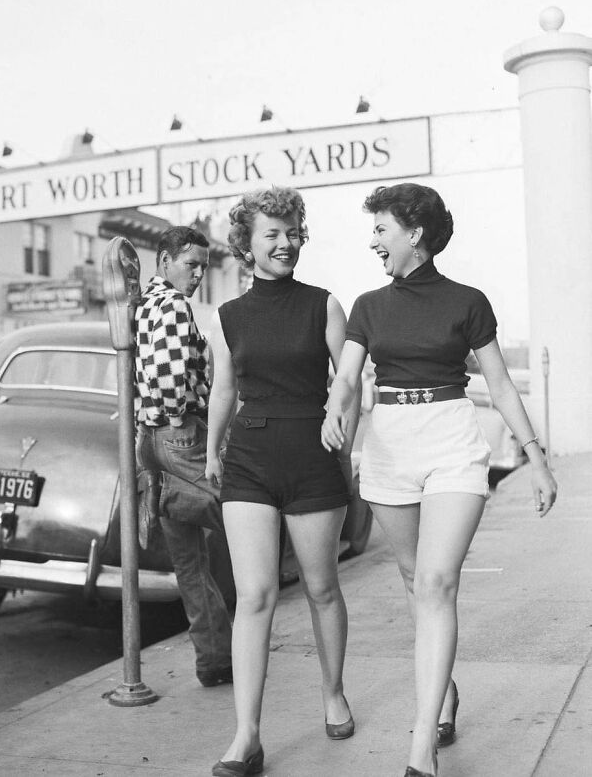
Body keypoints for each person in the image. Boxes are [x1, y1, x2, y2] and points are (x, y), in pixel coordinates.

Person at [321, 182, 558, 777]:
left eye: (381, 229)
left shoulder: (468, 302)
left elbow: (500, 384)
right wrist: (334, 408)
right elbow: (347, 378)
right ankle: (444, 691)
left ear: (414, 233)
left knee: (436, 583)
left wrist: (535, 457)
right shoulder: (369, 306)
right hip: (390, 442)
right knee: (413, 580)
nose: (372, 240)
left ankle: (420, 745)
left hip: (451, 438)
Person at [205, 187, 360, 777]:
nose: (286, 243)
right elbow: (224, 387)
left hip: (312, 454)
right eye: (272, 233)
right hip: (248, 457)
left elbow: (348, 380)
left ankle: (333, 692)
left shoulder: (324, 305)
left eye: (292, 231)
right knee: (255, 595)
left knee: (322, 588)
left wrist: (341, 422)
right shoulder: (227, 317)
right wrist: (214, 451)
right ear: (246, 244)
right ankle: (246, 734)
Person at [134, 225, 232, 688]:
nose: (197, 275)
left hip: (153, 439)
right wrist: (179, 419)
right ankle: (229, 651)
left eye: (203, 267)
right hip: (180, 433)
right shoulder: (172, 304)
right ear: (164, 261)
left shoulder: (147, 304)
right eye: (190, 264)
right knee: (242, 514)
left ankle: (214, 661)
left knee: (190, 562)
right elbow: (171, 375)